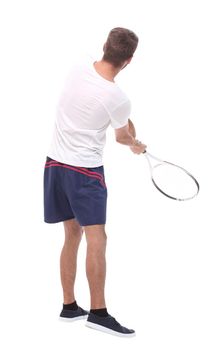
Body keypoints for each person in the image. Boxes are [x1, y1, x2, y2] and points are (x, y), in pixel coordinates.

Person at [43, 27, 147, 337]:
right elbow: (122, 135)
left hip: (54, 165)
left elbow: (116, 118)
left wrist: (125, 125)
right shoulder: (118, 99)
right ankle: (99, 313)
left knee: (71, 235)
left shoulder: (78, 65)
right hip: (85, 173)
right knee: (98, 239)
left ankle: (69, 305)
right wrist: (135, 145)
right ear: (128, 61)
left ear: (105, 47)